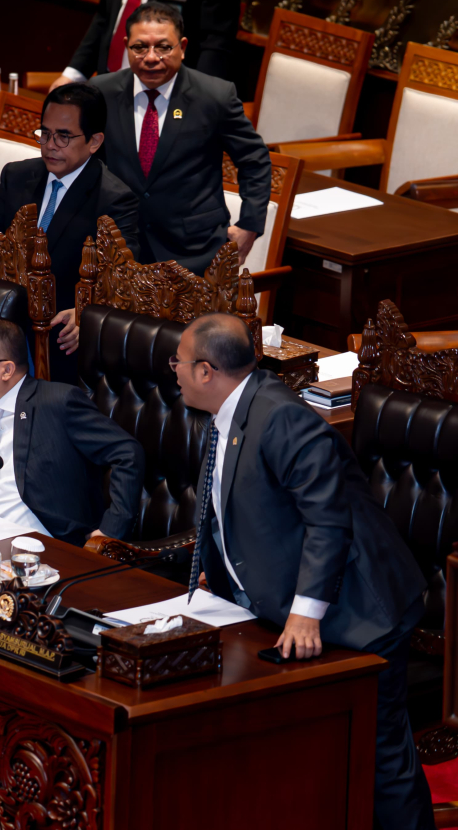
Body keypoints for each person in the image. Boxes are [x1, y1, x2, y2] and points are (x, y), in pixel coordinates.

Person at [172, 313, 432, 830]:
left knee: (379, 756)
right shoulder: (231, 411)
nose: (172, 370)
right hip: (283, 611)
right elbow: (244, 509)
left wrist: (306, 613)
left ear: (205, 371)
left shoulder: (281, 418)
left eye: (176, 361)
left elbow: (327, 520)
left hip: (361, 609)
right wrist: (223, 576)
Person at [89, 3, 270, 274]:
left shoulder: (214, 97)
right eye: (140, 47)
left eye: (163, 47)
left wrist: (249, 226)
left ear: (182, 47)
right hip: (118, 247)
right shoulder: (101, 92)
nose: (151, 57)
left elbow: (255, 160)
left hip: (194, 252)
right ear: (126, 46)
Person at [0, 318, 144, 549]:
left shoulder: (57, 403)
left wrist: (110, 532)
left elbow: (127, 453)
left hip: (43, 549)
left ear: (7, 370)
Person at [0, 83, 140, 383]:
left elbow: (121, 280)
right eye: (45, 133)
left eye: (63, 136)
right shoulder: (16, 176)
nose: (50, 145)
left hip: (59, 338)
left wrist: (86, 313)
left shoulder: (115, 201)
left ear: (94, 141)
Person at [50, 0, 239, 89]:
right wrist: (73, 74)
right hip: (108, 87)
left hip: (166, 95)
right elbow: (105, 17)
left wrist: (198, 100)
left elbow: (215, 43)